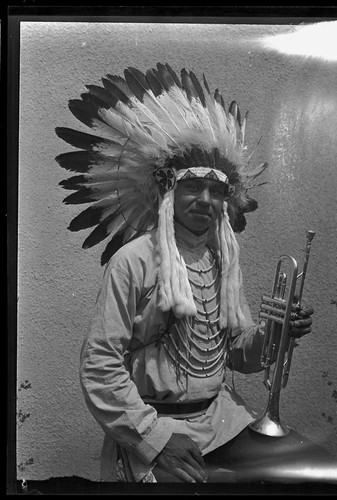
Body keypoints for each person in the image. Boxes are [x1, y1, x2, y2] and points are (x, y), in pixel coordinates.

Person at [56, 63, 314, 483]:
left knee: (311, 467)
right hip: (156, 424)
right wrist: (155, 440)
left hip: (221, 418)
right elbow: (99, 365)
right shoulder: (134, 261)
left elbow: (234, 353)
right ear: (167, 193)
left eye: (216, 190)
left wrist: (275, 332)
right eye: (192, 187)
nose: (205, 199)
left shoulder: (222, 259)